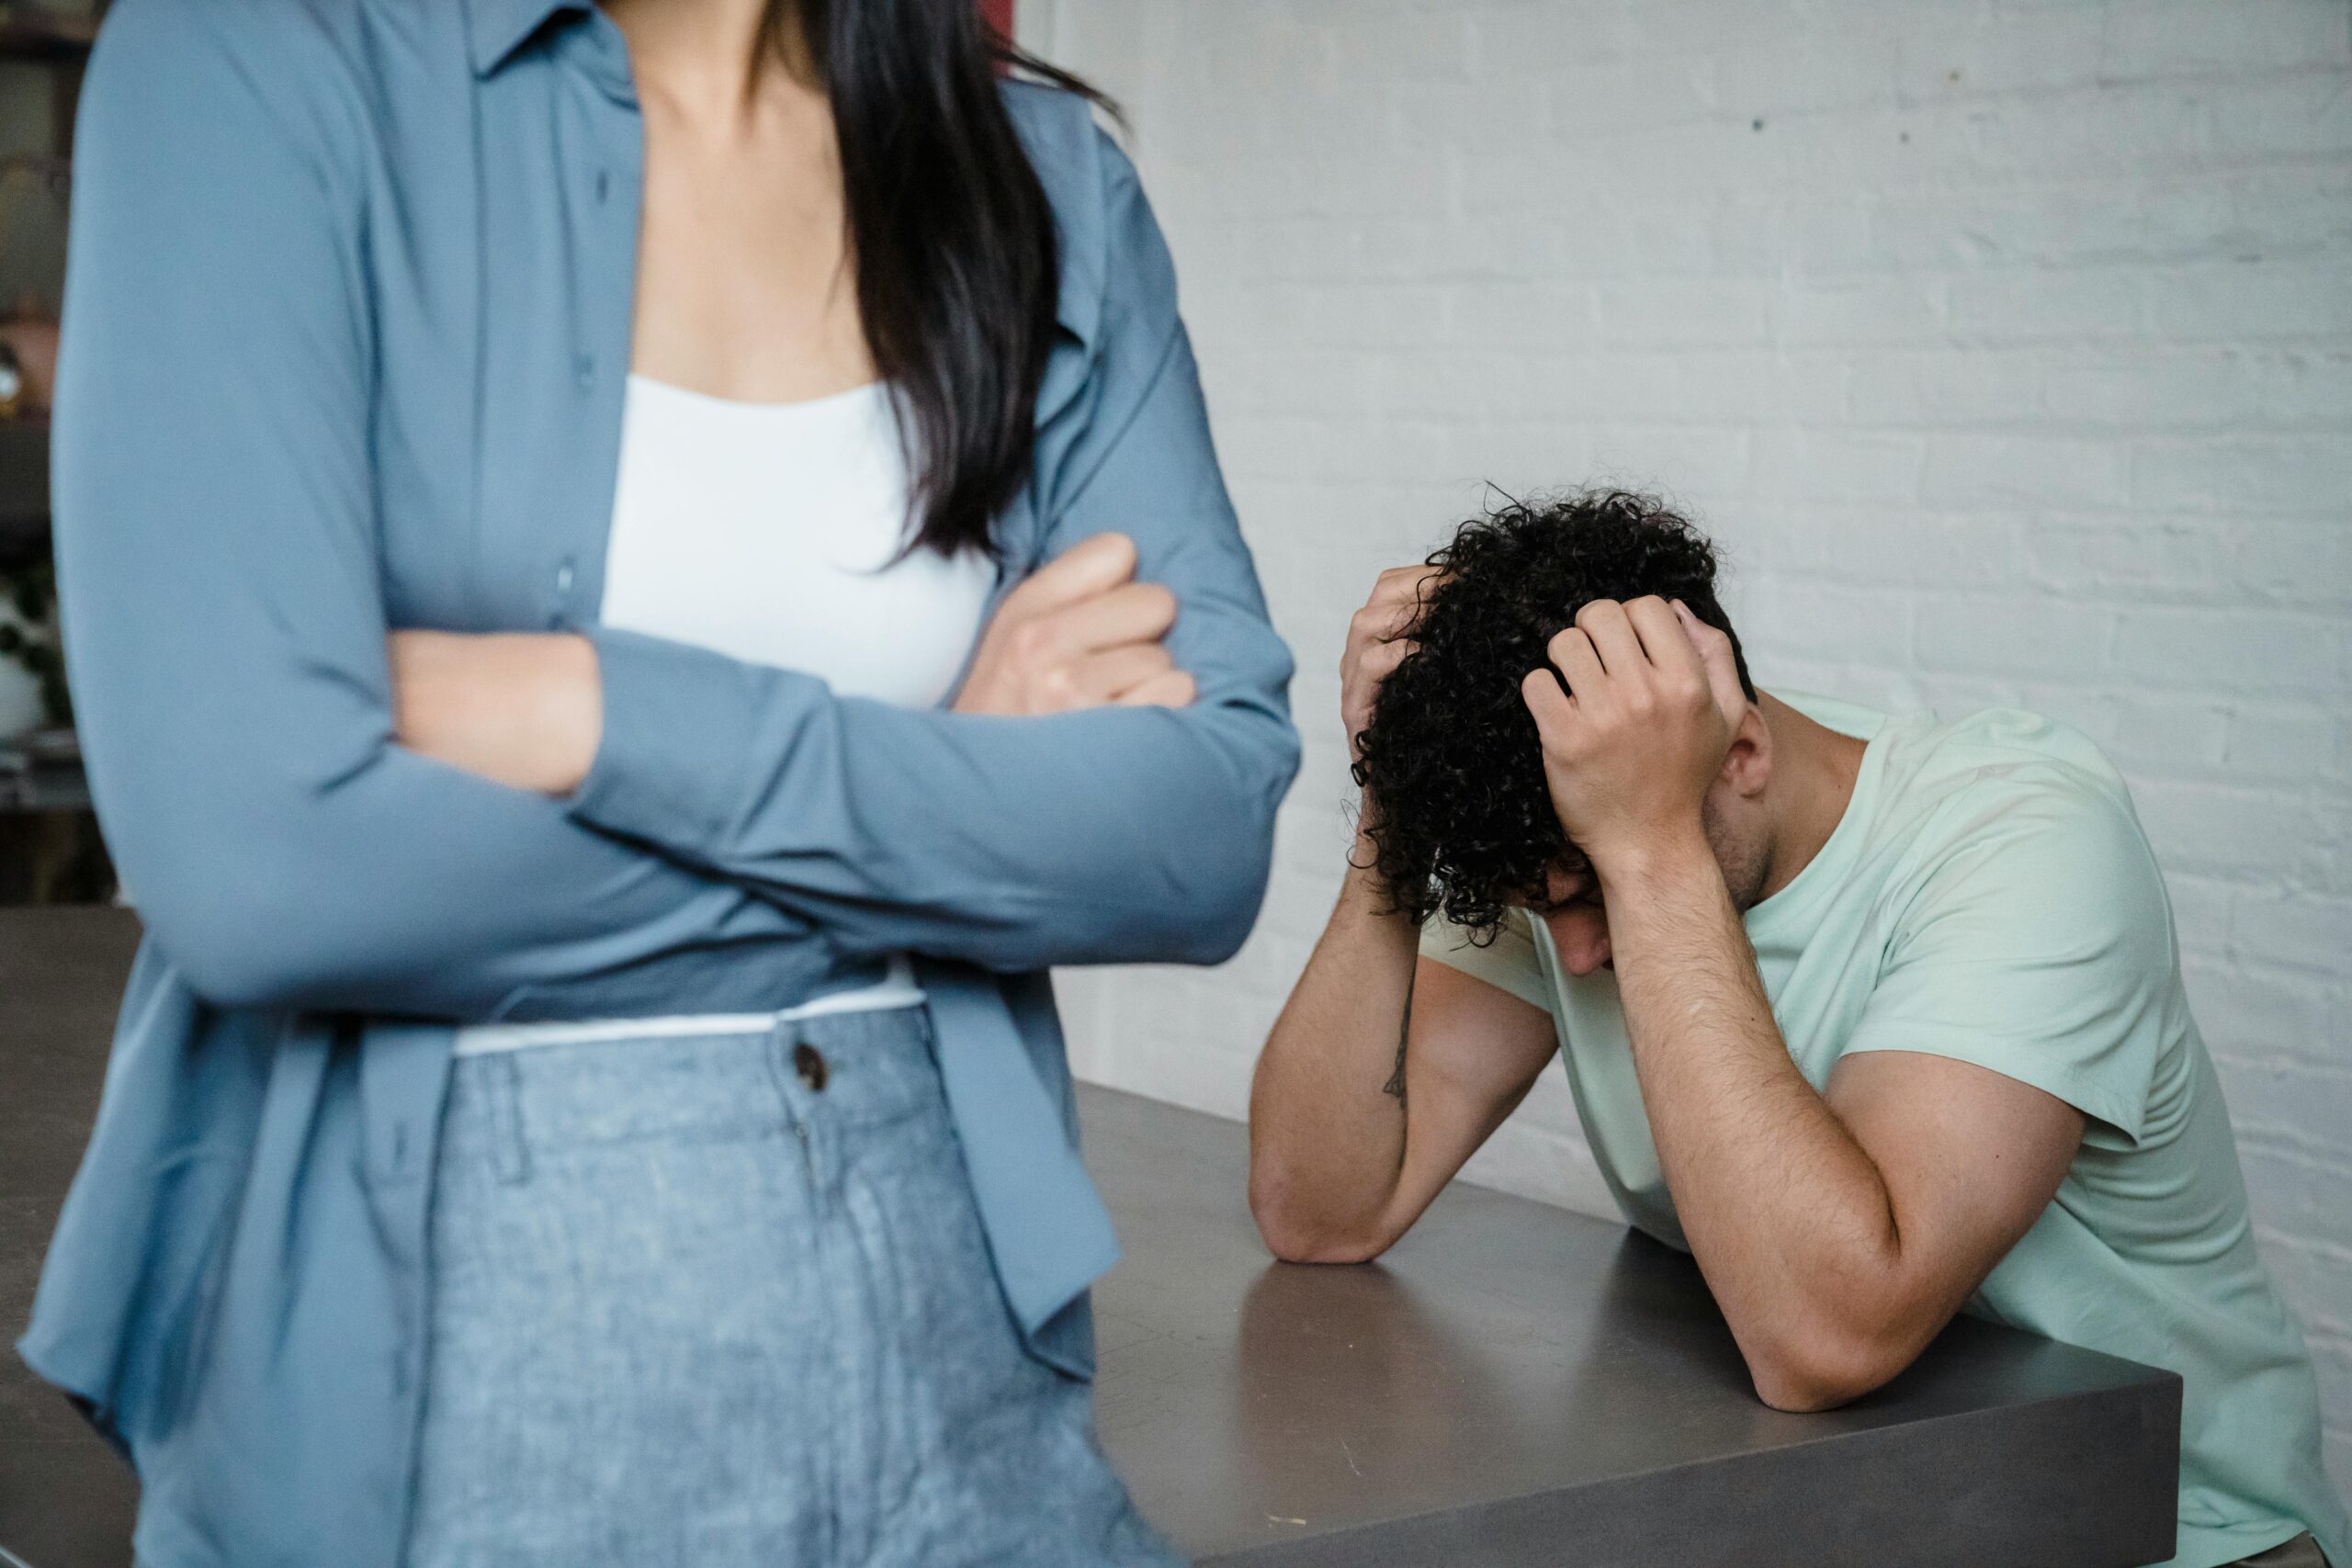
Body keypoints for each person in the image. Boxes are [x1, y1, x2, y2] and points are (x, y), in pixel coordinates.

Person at [20, 0, 1298, 1562]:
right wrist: (950, 783)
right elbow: (259, 870)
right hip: (436, 1391)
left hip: (968, 1372)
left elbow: (1203, 831)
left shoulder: (1038, 174)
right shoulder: (254, 61)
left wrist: (597, 709)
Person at [1248, 491, 2346, 1568]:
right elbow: (1324, 1210)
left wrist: (1647, 852)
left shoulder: (2021, 833)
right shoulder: (1570, 830)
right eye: (1546, 909)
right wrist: (1390, 803)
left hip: (2168, 1528)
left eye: (1591, 898)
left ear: (1744, 755)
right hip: (1859, 1511)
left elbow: (1828, 1338)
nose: (1577, 956)